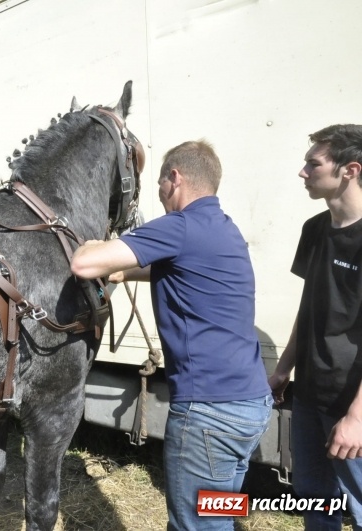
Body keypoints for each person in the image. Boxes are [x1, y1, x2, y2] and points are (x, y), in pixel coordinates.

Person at [71, 140, 272, 530]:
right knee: (217, 517)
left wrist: (94, 244)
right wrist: (127, 270)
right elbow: (183, 268)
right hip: (249, 405)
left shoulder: (179, 226)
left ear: (174, 179)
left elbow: (83, 263)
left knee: (194, 526)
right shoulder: (225, 230)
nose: (159, 193)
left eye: (160, 182)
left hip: (209, 412)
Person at [268, 124, 362, 530]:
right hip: (308, 395)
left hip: (351, 403)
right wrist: (283, 369)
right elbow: (309, 309)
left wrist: (357, 417)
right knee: (315, 500)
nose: (302, 172)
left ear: (350, 170)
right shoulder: (314, 230)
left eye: (313, 164)